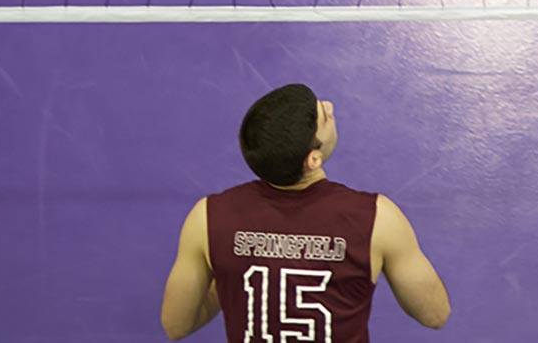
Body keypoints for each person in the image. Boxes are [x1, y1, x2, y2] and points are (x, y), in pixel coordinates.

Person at [159, 84, 451, 339]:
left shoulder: (208, 217)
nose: (329, 106)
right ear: (313, 159)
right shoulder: (377, 218)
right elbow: (435, 314)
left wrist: (233, 272)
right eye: (324, 117)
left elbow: (176, 325)